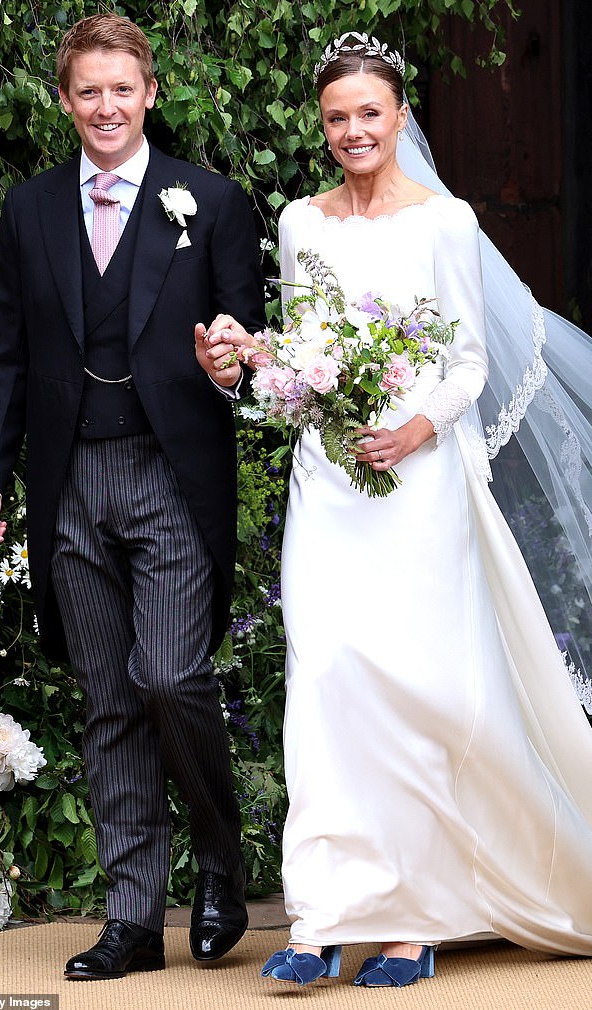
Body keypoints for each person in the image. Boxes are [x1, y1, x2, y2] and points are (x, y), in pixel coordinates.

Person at [203, 31, 592, 989]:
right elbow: (303, 349)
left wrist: (414, 432)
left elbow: (467, 363)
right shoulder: (300, 221)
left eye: (369, 112)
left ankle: (413, 922)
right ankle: (325, 913)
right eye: (337, 117)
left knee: (414, 686)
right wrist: (255, 361)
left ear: (401, 117)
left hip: (416, 484)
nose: (353, 131)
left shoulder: (445, 222)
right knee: (326, 679)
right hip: (328, 482)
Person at [0, 13, 265, 981]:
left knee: (170, 674)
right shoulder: (29, 208)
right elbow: (4, 356)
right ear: (66, 99)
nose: (105, 106)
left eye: (120, 89)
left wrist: (228, 359)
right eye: (87, 91)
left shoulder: (209, 203)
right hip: (68, 484)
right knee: (107, 701)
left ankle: (220, 857)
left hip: (170, 476)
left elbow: (247, 361)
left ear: (149, 93)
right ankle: (133, 915)